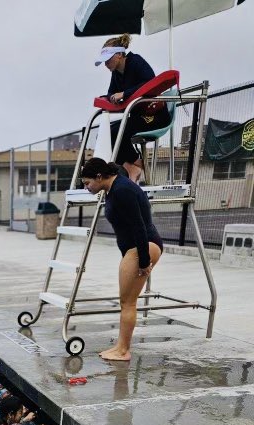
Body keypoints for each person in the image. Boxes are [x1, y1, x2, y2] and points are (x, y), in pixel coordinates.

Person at [81, 157, 163, 361]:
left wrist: (144, 262)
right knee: (125, 301)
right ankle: (120, 346)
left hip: (144, 246)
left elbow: (138, 226)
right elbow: (119, 167)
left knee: (128, 302)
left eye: (87, 183)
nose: (86, 188)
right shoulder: (115, 184)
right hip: (135, 249)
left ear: (99, 177)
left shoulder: (122, 190)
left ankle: (124, 350)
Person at [96, 33, 170, 183]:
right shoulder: (116, 72)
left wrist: (124, 93)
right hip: (137, 116)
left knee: (118, 132)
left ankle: (136, 164)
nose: (105, 64)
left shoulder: (136, 61)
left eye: (108, 60)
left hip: (156, 117)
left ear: (118, 55)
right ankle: (129, 166)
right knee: (105, 133)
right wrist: (109, 98)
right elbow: (112, 92)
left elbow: (150, 83)